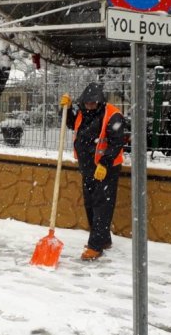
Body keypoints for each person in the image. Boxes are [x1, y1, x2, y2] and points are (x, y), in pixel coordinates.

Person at [60, 83, 125, 261]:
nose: (89, 106)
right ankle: (103, 239)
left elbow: (117, 142)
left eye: (93, 103)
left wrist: (104, 163)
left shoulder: (113, 115)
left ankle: (95, 246)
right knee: (90, 204)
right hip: (88, 167)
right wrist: (66, 108)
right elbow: (72, 123)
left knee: (102, 206)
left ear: (100, 102)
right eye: (86, 103)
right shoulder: (83, 113)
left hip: (107, 168)